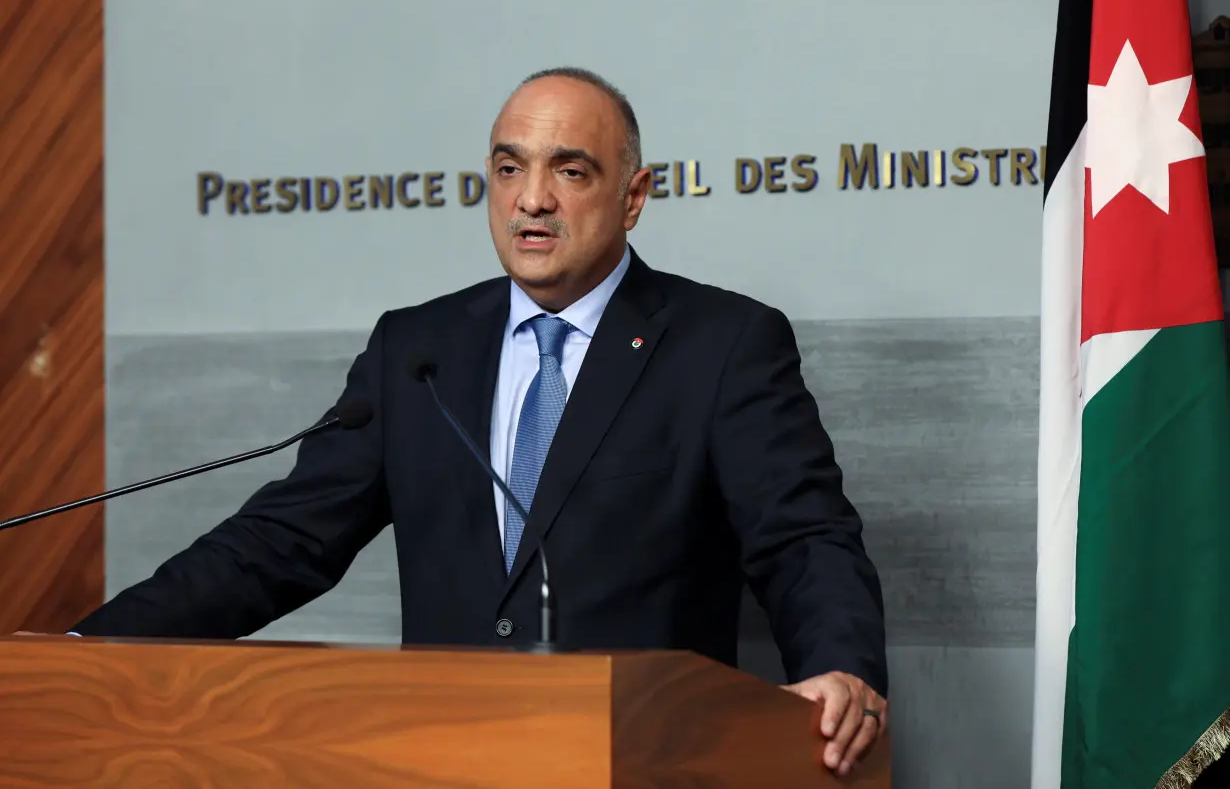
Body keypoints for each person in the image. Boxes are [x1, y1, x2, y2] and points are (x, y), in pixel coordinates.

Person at [67, 67, 889, 774]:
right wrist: (85, 654)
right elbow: (280, 542)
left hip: (643, 760)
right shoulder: (417, 349)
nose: (532, 199)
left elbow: (802, 537)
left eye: (570, 171)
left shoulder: (721, 344)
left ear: (633, 196)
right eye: (509, 168)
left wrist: (840, 669)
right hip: (434, 759)